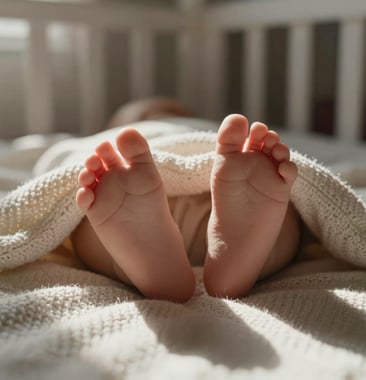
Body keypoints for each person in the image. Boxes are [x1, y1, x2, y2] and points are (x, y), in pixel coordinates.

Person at [71, 99, 301, 303]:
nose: (157, 121)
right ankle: (249, 260)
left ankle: (139, 267)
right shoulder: (206, 134)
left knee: (88, 219)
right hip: (211, 203)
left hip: (134, 204)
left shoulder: (103, 151)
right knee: (283, 221)